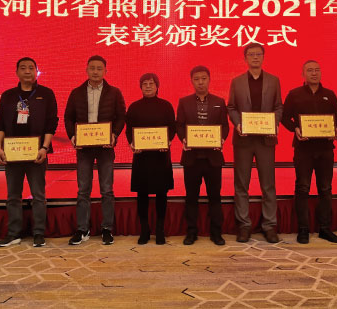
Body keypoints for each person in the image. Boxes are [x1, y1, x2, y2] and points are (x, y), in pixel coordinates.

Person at [0, 57, 58, 248]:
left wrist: (44, 148)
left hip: (36, 152)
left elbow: (51, 123)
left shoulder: (46, 94)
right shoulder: (8, 95)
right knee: (13, 195)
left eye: (31, 68)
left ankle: (39, 233)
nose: (27, 71)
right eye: (23, 68)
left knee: (38, 195)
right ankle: (14, 233)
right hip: (12, 152)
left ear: (37, 71)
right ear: (17, 72)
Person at [64, 55, 126, 246]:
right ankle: (83, 229)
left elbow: (121, 117)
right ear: (86, 70)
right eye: (92, 68)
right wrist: (73, 136)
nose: (96, 71)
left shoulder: (114, 92)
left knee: (107, 190)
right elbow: (68, 117)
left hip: (105, 148)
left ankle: (107, 228)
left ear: (106, 71)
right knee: (83, 190)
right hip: (84, 148)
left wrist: (114, 134)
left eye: (99, 68)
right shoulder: (76, 93)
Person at [281, 60, 337, 244]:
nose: (314, 73)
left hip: (325, 149)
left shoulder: (330, 94)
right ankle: (303, 229)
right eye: (310, 70)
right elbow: (284, 117)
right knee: (302, 188)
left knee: (325, 188)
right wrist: (295, 129)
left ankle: (325, 229)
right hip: (303, 149)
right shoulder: (294, 94)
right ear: (303, 74)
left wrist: (336, 128)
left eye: (317, 70)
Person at [227, 44, 283, 243]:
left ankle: (269, 225)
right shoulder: (237, 81)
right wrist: (238, 124)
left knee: (268, 184)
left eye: (258, 54)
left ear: (263, 57)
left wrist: (274, 124)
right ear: (245, 58)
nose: (255, 57)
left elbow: (278, 107)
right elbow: (231, 107)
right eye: (251, 54)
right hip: (243, 139)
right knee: (241, 184)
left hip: (265, 140)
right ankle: (244, 225)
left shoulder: (274, 80)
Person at [176, 66, 229, 246]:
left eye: (203, 78)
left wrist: (221, 139)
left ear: (209, 79)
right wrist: (184, 138)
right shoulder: (184, 102)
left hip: (212, 158)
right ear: (192, 81)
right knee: (191, 197)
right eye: (197, 79)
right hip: (192, 158)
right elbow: (179, 125)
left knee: (215, 196)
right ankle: (191, 232)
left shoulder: (219, 101)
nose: (200, 82)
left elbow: (224, 125)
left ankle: (216, 233)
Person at [125, 73, 176, 245]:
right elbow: (129, 129)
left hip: (161, 156)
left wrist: (167, 141)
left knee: (162, 193)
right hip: (142, 157)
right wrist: (132, 143)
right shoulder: (134, 107)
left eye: (151, 83)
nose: (148, 86)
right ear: (140, 87)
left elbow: (172, 127)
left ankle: (160, 230)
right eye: (144, 83)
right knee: (142, 194)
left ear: (157, 86)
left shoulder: (166, 106)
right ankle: (144, 230)